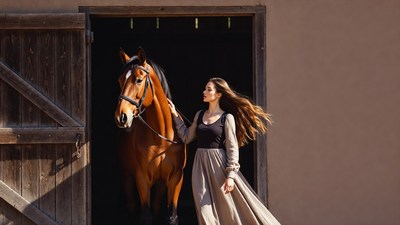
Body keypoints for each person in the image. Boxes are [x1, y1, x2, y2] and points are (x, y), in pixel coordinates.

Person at [167, 77, 281, 225]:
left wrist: (231, 176)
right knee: (204, 212)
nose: (204, 92)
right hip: (200, 167)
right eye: (205, 88)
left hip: (219, 167)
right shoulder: (199, 115)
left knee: (228, 209)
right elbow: (186, 137)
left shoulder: (227, 118)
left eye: (209, 89)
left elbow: (232, 148)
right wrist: (175, 115)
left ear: (219, 94)